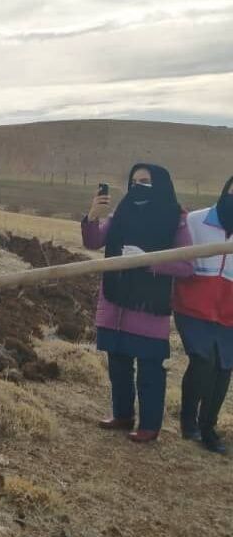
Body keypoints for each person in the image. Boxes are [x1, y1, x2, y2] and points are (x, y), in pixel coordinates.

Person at [82, 164, 192, 442]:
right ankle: (122, 415)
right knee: (118, 362)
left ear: (162, 185)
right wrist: (92, 217)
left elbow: (186, 265)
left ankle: (150, 425)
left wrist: (147, 259)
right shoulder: (122, 212)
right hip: (115, 301)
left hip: (148, 308)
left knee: (150, 368)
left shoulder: (175, 218)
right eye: (133, 181)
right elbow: (93, 241)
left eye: (145, 181)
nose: (137, 186)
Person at [173, 175, 233, 454]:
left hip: (229, 315)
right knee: (203, 359)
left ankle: (208, 428)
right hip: (192, 307)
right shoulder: (196, 221)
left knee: (223, 368)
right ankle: (188, 421)